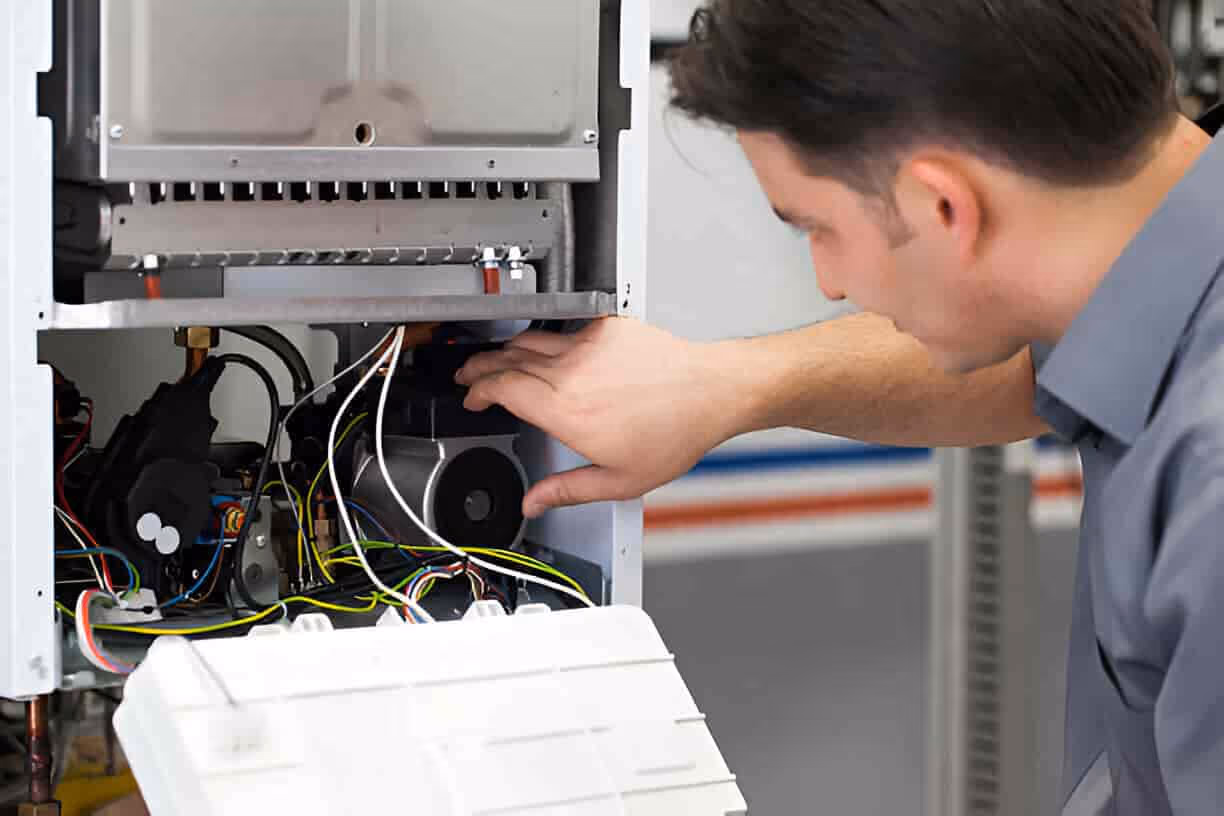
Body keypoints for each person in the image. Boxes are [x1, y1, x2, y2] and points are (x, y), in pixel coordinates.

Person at [456, 2, 1224, 813]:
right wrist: (726, 387)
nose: (829, 281)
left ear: (942, 209)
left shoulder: (1208, 489)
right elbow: (1039, 348)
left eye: (814, 228)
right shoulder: (1148, 242)